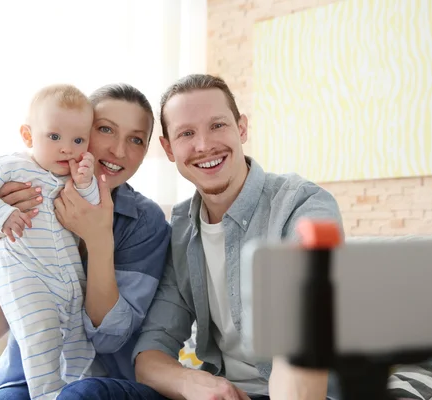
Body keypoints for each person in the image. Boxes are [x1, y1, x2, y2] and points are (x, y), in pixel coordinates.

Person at [61, 74, 344, 400]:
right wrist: (192, 383)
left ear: (242, 129)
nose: (204, 145)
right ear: (168, 148)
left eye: (218, 126)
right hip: (219, 393)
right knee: (86, 395)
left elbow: (301, 338)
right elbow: (152, 351)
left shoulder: (303, 206)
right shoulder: (181, 228)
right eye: (186, 133)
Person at [0, 83, 171, 400]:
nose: (119, 151)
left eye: (136, 140)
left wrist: (99, 238)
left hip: (100, 381)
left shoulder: (145, 221)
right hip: (23, 376)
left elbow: (108, 340)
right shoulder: (24, 189)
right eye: (105, 129)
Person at [0, 84, 100, 399]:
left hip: (68, 277)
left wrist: (86, 181)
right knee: (40, 334)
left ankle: (73, 387)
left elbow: (92, 207)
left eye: (78, 140)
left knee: (79, 341)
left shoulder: (72, 176)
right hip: (25, 275)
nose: (67, 148)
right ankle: (46, 392)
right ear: (28, 136)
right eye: (54, 137)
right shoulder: (11, 166)